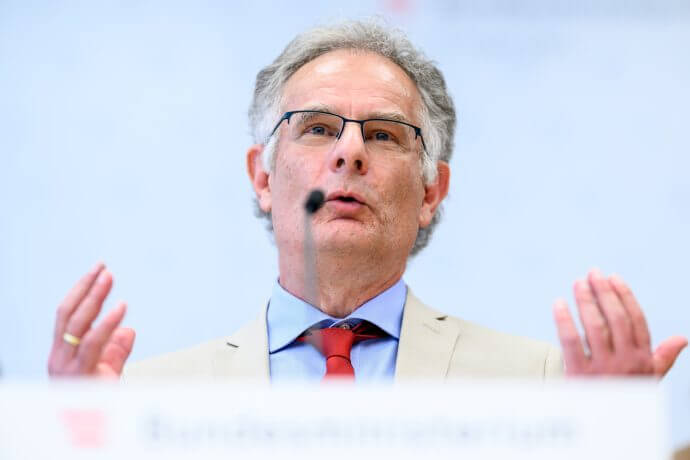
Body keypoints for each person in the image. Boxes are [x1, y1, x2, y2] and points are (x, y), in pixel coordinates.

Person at [47, 20, 686, 381]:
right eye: (317, 128)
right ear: (263, 179)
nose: (350, 152)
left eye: (384, 134)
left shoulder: (546, 384)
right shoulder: (145, 398)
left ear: (431, 190)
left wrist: (611, 440)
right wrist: (69, 441)